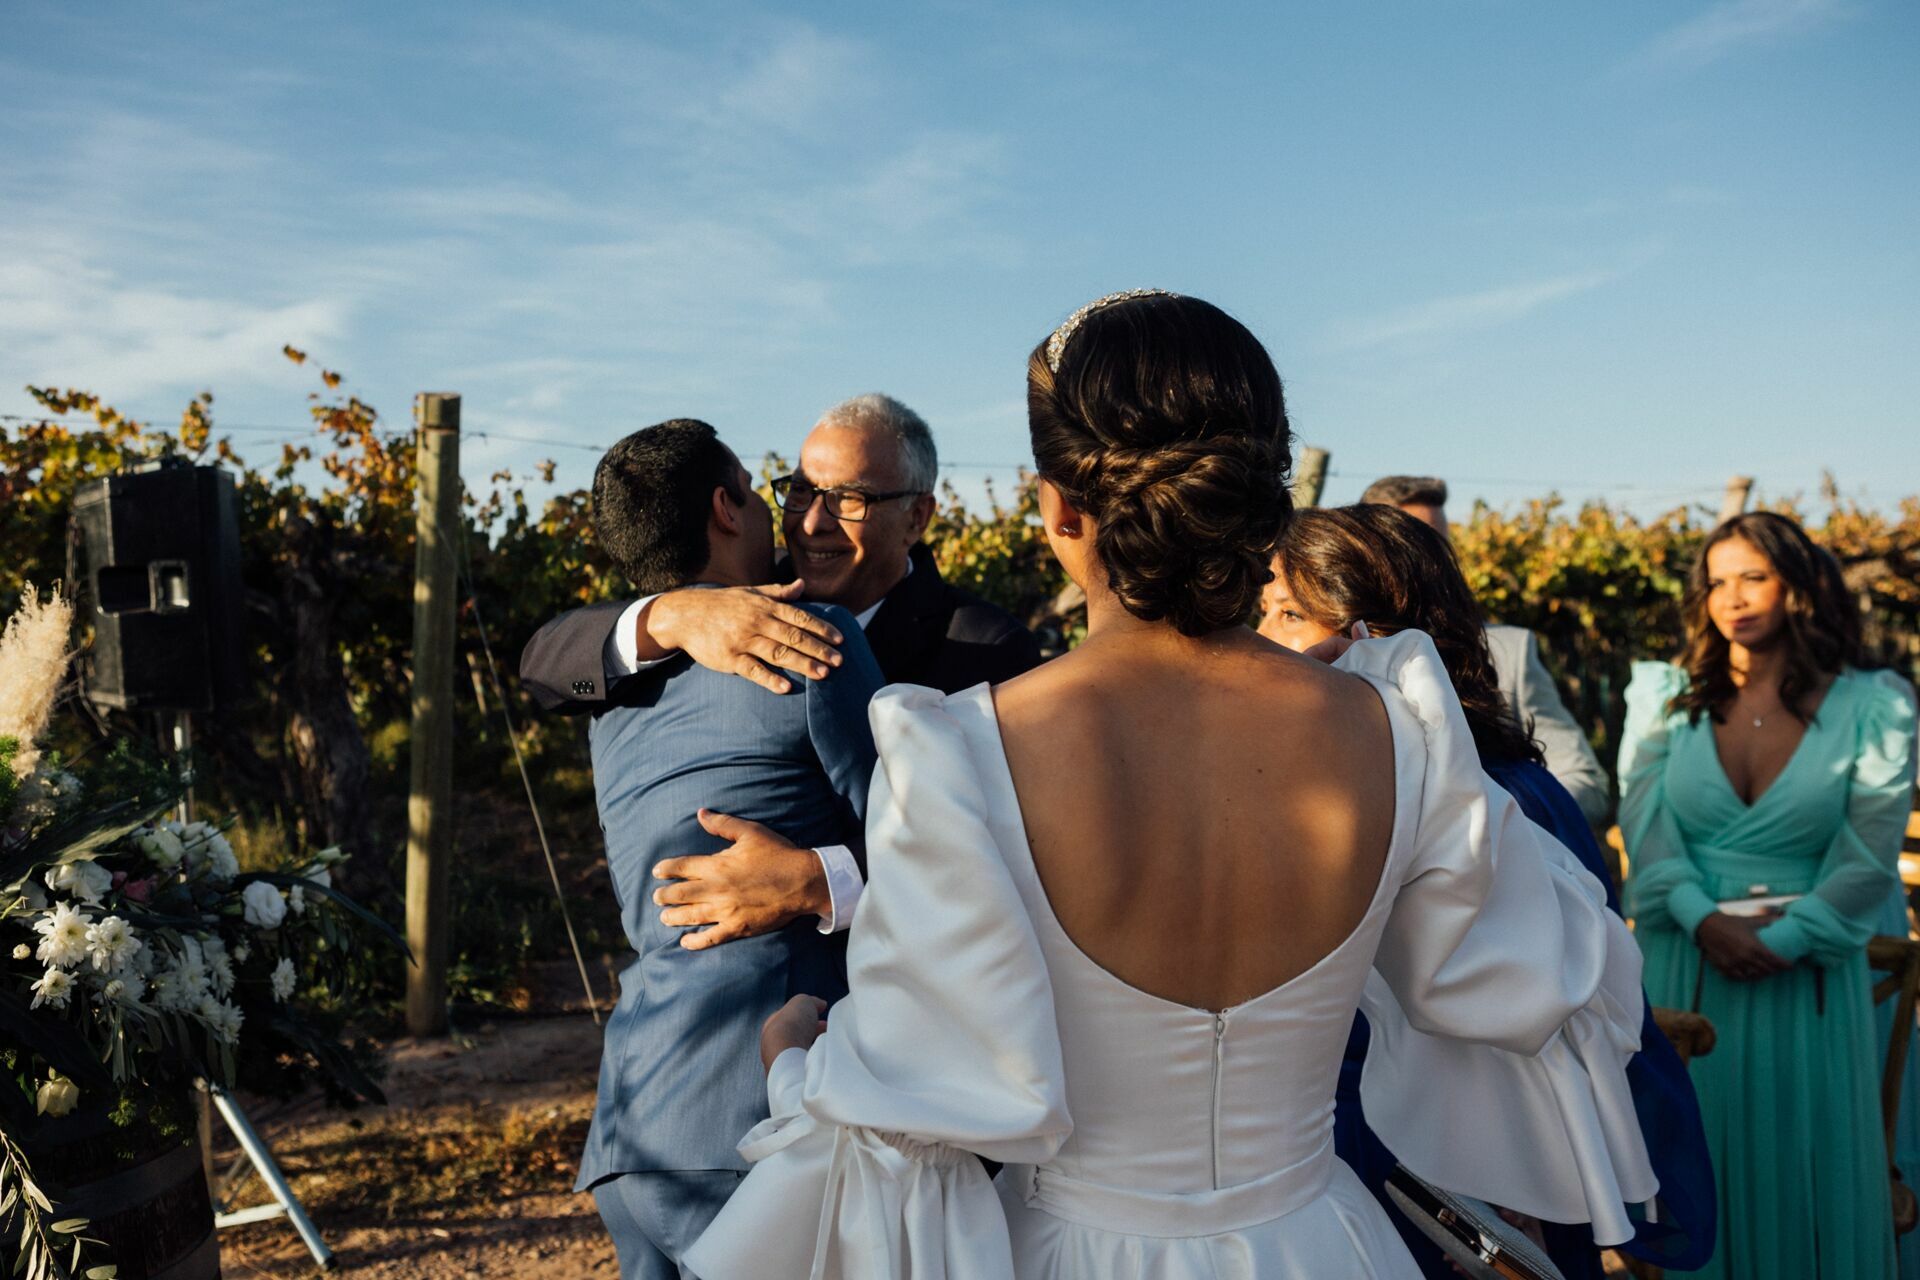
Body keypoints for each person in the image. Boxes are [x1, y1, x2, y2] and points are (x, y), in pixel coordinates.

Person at [682, 291, 1655, 1279]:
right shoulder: (1398, 729)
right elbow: (1538, 973)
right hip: (1325, 1237)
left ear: (1059, 501)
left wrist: (793, 1062)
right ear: (1259, 495)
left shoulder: (966, 749)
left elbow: (908, 1116)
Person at [1261, 503, 1715, 1278]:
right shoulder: (1312, 790)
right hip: (1326, 1142)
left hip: (1458, 1167)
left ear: (1382, 634)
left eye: (1292, 613)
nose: (1265, 640)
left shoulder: (1505, 802)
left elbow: (1540, 1000)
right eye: (1260, 612)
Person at [519, 394, 1042, 949]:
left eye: (850, 500)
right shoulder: (726, 606)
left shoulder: (987, 650)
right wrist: (669, 613)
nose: (812, 523)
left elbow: (1006, 843)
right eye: (799, 491)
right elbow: (547, 676)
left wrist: (821, 881)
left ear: (916, 518)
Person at [563, 419, 886, 1280]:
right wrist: (827, 880)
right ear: (725, 506)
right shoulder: (813, 642)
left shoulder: (612, 695)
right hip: (757, 1109)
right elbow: (928, 847)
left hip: (635, 1122)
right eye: (757, 485)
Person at [1619, 510, 1917, 1280]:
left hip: (1808, 979)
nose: (1732, 598)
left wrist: (1782, 941)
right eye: (1717, 581)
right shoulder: (1664, 697)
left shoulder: (1876, 706)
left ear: (1800, 587)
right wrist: (1703, 920)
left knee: (1805, 1169)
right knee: (1694, 1164)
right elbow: (1645, 829)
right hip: (1687, 967)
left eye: (1753, 576)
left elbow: (1868, 853)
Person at [1359, 475, 1611, 824]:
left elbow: (1586, 782)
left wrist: (1497, 825)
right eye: (1409, 548)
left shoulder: (1508, 652)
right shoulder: (1331, 656)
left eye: (1441, 547)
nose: (1434, 565)